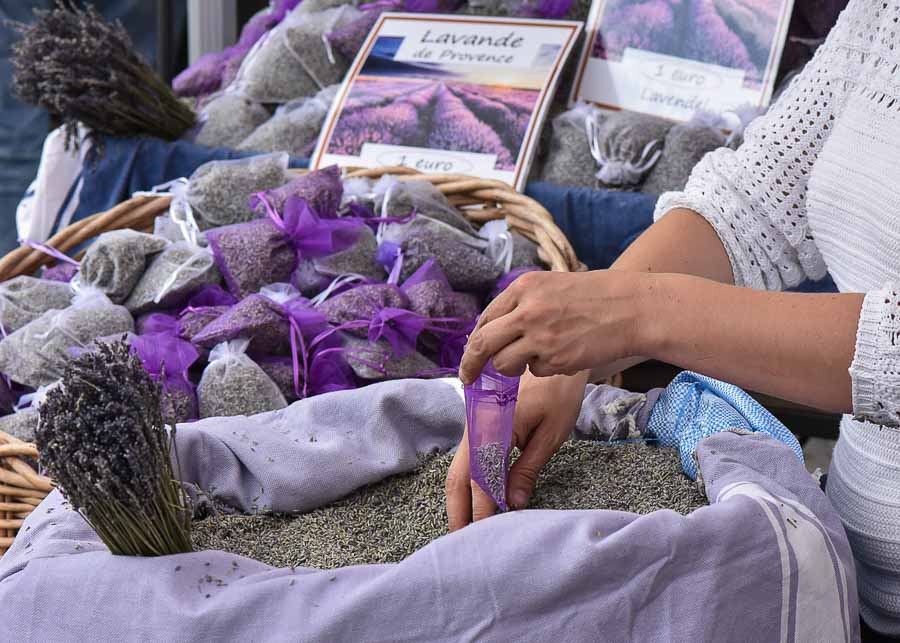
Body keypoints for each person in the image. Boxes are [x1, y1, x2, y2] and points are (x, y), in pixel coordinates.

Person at [446, 0, 900, 636]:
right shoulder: (882, 15)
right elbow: (750, 205)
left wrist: (636, 314)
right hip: (852, 567)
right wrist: (573, 357)